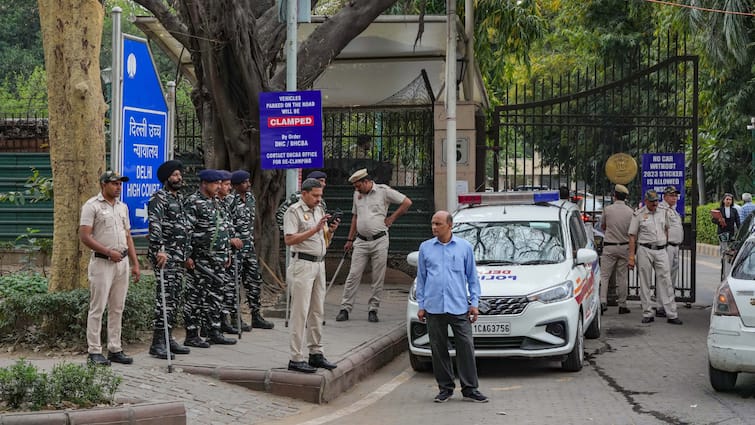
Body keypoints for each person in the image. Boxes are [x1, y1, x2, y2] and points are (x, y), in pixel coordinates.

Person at [416, 211, 488, 403]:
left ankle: (470, 388)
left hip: (458, 307)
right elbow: (421, 279)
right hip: (434, 307)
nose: (434, 227)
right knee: (438, 349)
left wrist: (474, 304)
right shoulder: (425, 248)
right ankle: (445, 388)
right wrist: (421, 305)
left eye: (438, 224)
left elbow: (473, 279)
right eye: (432, 223)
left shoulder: (464, 248)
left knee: (465, 347)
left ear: (450, 226)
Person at [79, 170, 141, 366]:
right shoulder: (92, 206)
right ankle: (94, 351)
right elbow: (85, 236)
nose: (118, 187)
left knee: (117, 307)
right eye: (114, 184)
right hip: (102, 263)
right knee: (98, 307)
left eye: (120, 184)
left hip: (121, 262)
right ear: (103, 184)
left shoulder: (122, 207)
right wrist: (107, 252)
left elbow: (128, 236)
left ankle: (115, 348)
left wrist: (135, 263)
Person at [336, 169, 412, 323]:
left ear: (366, 182)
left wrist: (392, 218)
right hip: (361, 241)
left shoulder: (383, 191)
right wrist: (349, 239)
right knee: (353, 275)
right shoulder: (357, 195)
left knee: (377, 276)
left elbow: (407, 202)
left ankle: (373, 309)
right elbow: (355, 217)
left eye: (358, 186)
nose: (356, 189)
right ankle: (345, 308)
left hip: (379, 240)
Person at [283, 178, 339, 373]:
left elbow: (323, 240)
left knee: (317, 310)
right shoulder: (294, 211)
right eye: (315, 195)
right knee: (300, 312)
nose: (318, 199)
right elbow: (289, 239)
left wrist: (329, 231)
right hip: (302, 264)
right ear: (304, 193)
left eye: (320, 195)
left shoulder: (319, 210)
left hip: (319, 264)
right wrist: (314, 230)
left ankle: (316, 352)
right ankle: (295, 357)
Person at [183, 169, 237, 347]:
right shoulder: (193, 202)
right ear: (204, 183)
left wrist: (227, 252)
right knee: (196, 296)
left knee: (215, 295)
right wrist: (187, 256)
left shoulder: (216, 202)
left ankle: (214, 330)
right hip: (201, 259)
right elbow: (187, 231)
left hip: (219, 258)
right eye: (215, 184)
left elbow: (223, 227)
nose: (219, 187)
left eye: (220, 184)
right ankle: (192, 334)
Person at [147, 160, 191, 359]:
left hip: (178, 257)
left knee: (174, 299)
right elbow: (155, 225)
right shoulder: (159, 198)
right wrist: (160, 250)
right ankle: (157, 343)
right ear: (166, 178)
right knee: (164, 300)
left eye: (179, 174)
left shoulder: (180, 198)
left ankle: (168, 337)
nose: (179, 177)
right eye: (174, 175)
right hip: (165, 257)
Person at [628, 190, 682, 325]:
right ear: (646, 201)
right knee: (645, 282)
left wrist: (664, 243)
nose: (655, 204)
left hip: (661, 250)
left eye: (656, 201)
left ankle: (671, 313)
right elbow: (632, 235)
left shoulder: (663, 212)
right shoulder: (639, 214)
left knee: (666, 281)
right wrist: (631, 256)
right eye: (652, 202)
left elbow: (667, 229)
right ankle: (648, 312)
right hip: (645, 249)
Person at [230, 170, 274, 329]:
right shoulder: (230, 200)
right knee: (234, 283)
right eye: (244, 182)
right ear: (235, 185)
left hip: (248, 246)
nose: (248, 184)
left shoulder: (250, 198)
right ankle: (236, 318)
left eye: (248, 181)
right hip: (234, 248)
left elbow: (252, 221)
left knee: (254, 280)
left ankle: (256, 315)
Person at [598, 184, 633, 315]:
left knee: (605, 275)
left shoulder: (607, 210)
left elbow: (603, 226)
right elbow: (632, 231)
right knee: (622, 277)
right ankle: (622, 305)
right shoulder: (630, 211)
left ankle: (602, 301)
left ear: (614, 196)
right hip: (624, 246)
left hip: (609, 246)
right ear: (625, 197)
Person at [657, 185, 684, 318]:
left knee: (671, 277)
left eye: (675, 196)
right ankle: (660, 305)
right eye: (672, 195)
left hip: (675, 246)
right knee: (664, 276)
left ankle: (667, 303)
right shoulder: (662, 209)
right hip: (667, 246)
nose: (674, 198)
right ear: (665, 196)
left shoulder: (673, 210)